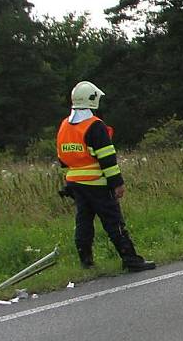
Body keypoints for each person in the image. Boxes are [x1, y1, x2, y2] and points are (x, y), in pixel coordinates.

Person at [56, 81, 155, 272]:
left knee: (83, 222)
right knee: (114, 222)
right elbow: (107, 159)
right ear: (92, 100)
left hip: (75, 182)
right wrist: (117, 183)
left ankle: (86, 261)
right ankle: (131, 260)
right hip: (97, 183)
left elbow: (62, 158)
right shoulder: (94, 126)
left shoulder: (65, 125)